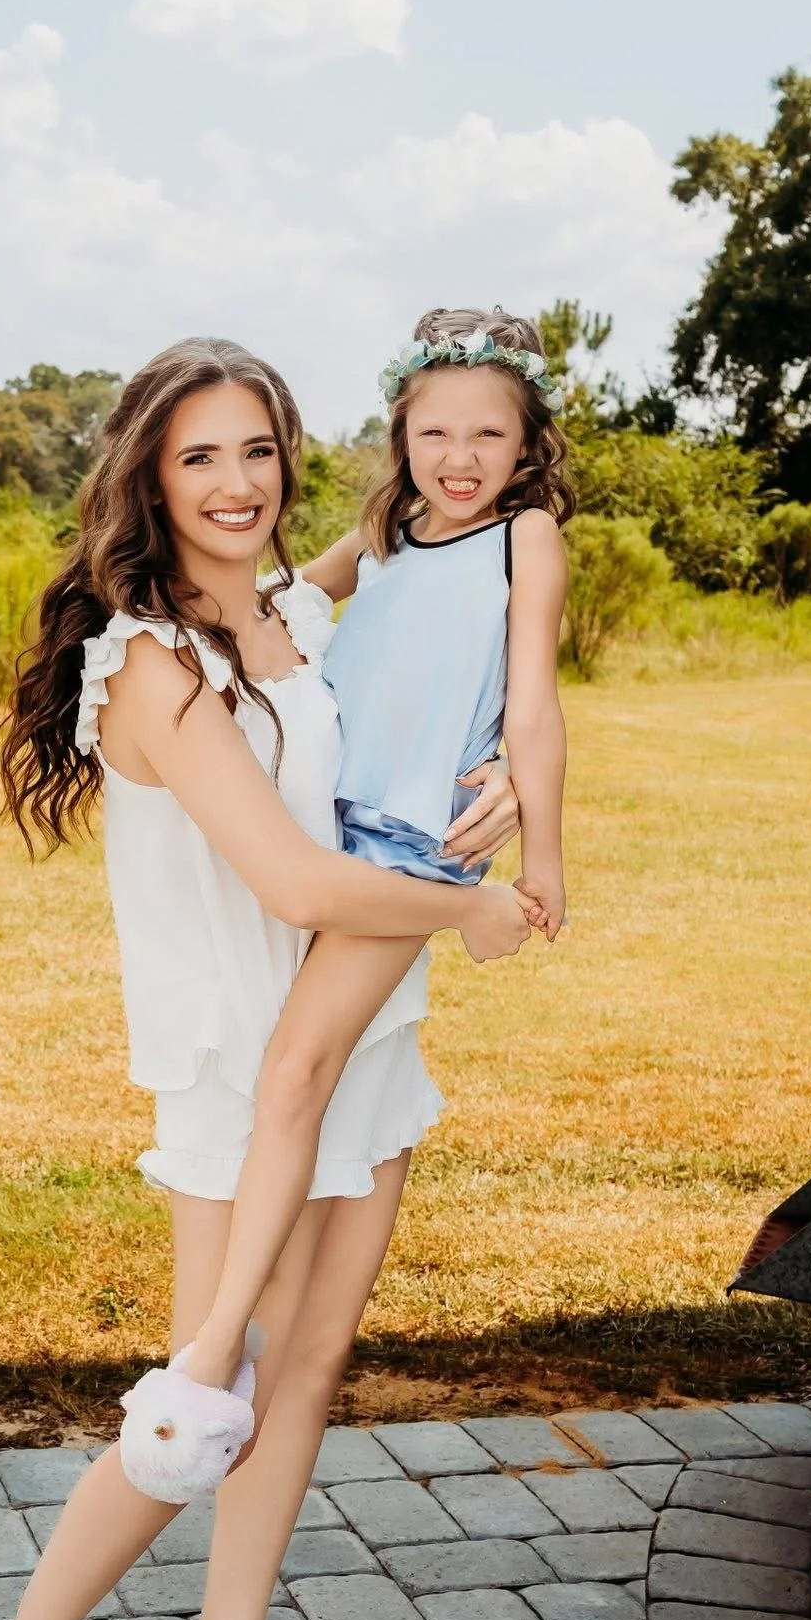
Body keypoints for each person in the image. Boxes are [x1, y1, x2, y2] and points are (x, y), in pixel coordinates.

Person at [0, 335, 532, 1620]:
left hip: (362, 1043)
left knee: (310, 1371)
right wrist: (471, 905)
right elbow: (287, 878)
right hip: (238, 1072)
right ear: (148, 472)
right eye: (198, 454)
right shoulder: (149, 664)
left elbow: (428, 578)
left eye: (258, 449)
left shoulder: (292, 609)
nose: (234, 482)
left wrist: (519, 773)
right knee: (203, 1392)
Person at [146, 306, 573, 1499]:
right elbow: (282, 599)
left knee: (293, 1072)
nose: (459, 455)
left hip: (413, 848)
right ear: (399, 434)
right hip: (332, 833)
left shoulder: (522, 537)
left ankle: (212, 1341)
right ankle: (232, 1328)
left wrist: (543, 846)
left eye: (488, 432)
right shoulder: (386, 532)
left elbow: (532, 701)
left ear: (526, 439)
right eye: (434, 429)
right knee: (291, 1076)